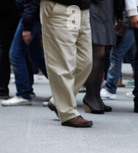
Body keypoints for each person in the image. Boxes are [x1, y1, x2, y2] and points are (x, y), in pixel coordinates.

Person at [40, 0, 93, 128]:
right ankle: (67, 112)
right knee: (62, 63)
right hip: (59, 6)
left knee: (86, 62)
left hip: (81, 8)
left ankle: (57, 101)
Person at [2, 0, 48, 107]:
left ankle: (23, 94)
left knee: (15, 54)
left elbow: (31, 2)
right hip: (33, 16)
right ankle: (61, 89)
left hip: (30, 17)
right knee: (37, 56)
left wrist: (27, 26)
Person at [83, 0, 124, 114]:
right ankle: (90, 96)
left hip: (108, 7)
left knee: (102, 53)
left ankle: (95, 96)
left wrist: (119, 13)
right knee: (98, 50)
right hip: (95, 6)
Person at [101, 9, 137, 100]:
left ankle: (110, 89)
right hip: (130, 22)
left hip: (126, 23)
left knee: (116, 55)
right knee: (133, 58)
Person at [0, 0, 20, 100]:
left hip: (9, 13)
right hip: (17, 12)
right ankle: (26, 89)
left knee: (9, 51)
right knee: (21, 52)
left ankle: (3, 89)